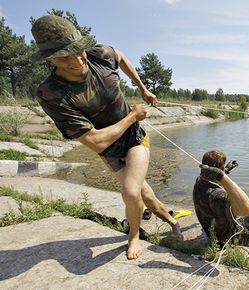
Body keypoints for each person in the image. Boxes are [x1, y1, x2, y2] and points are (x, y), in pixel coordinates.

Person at [31, 15, 182, 260]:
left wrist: (143, 88)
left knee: (131, 192)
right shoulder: (51, 94)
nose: (78, 60)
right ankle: (172, 222)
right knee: (145, 195)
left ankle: (133, 235)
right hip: (108, 147)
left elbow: (120, 56)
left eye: (78, 51)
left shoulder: (99, 54)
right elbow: (95, 142)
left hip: (134, 138)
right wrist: (133, 115)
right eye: (65, 56)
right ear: (50, 59)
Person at [193, 150, 249, 246]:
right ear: (219, 169)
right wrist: (222, 176)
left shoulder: (199, 181)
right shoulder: (219, 195)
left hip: (215, 234)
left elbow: (211, 180)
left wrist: (226, 169)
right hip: (232, 237)